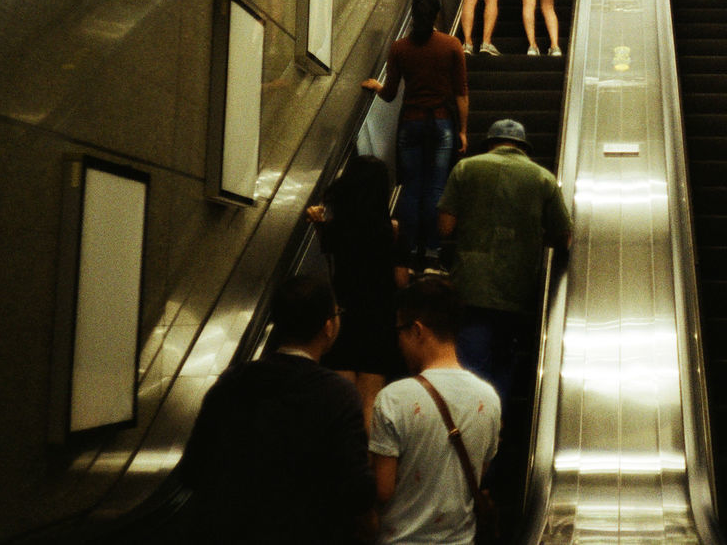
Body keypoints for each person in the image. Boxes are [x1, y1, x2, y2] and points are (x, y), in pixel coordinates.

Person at [178, 276, 376, 545]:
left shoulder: (231, 382)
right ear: (328, 327)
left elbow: (192, 470)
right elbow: (356, 491)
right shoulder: (338, 395)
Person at [437, 119, 572, 410]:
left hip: (469, 285)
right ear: (523, 148)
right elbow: (564, 235)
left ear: (489, 143)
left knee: (469, 360)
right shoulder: (543, 178)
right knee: (503, 361)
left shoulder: (465, 168)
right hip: (517, 288)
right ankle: (494, 425)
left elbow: (445, 227)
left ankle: (463, 424)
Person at [369, 275, 501, 545]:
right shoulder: (489, 399)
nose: (398, 343)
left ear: (417, 331)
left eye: (400, 332)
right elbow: (480, 470)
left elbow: (383, 490)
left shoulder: (393, 399)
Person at [363, 0, 468, 269]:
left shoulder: (399, 47)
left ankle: (407, 251)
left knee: (410, 188)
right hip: (442, 122)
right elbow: (461, 93)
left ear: (412, 13)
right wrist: (463, 130)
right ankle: (433, 250)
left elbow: (390, 93)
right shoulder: (452, 45)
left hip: (411, 122)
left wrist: (376, 86)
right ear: (436, 14)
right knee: (435, 187)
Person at [305, 155, 401, 429]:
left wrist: (319, 225)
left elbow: (332, 252)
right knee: (370, 398)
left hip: (343, 316)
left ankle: (341, 461)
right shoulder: (391, 230)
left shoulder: (338, 228)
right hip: (379, 318)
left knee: (343, 397)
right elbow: (401, 278)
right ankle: (366, 466)